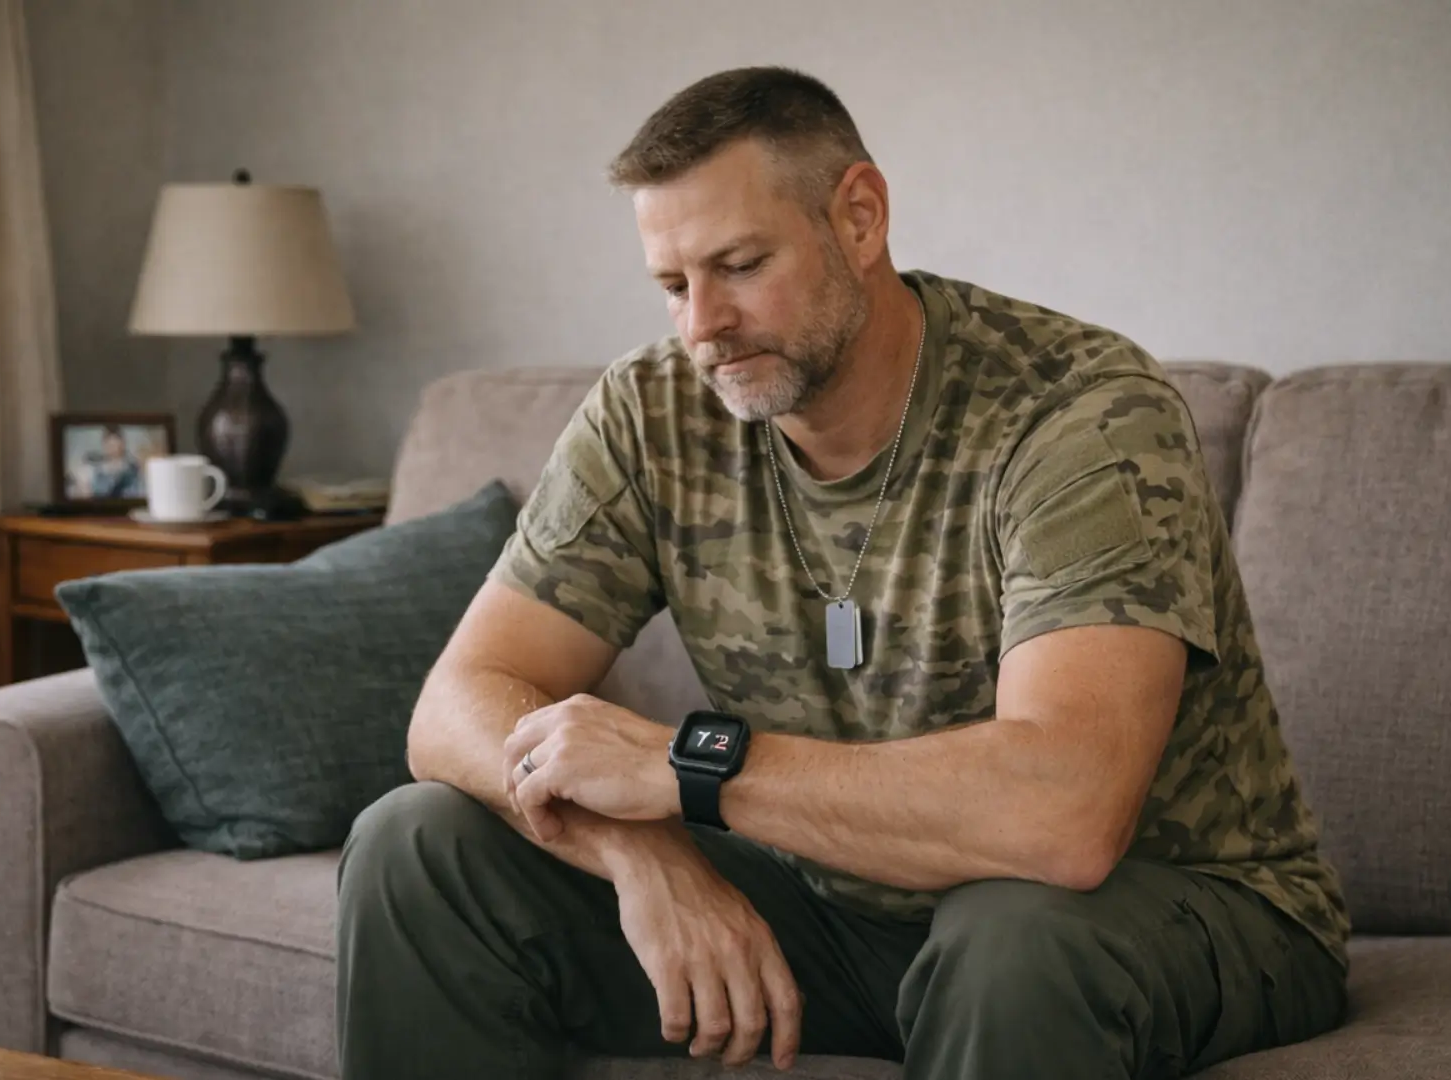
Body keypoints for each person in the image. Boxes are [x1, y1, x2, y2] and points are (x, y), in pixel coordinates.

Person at [336, 67, 1348, 1080]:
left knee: (1012, 935)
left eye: (738, 265)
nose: (702, 328)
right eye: (674, 285)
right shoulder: (652, 416)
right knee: (417, 844)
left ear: (859, 218)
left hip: (1164, 907)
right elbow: (456, 704)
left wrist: (685, 769)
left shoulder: (1077, 412)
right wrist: (643, 855)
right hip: (827, 911)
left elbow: (1065, 817)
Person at [82, 424, 143, 499]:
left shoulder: (133, 470)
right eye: (108, 441)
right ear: (104, 444)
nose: (112, 446)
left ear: (122, 443)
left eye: (115, 441)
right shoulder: (96, 471)